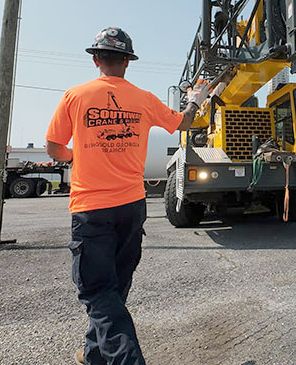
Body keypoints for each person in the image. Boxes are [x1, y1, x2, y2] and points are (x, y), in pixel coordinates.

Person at [46, 27, 209, 365]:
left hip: (91, 208)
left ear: (96, 60)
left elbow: (54, 147)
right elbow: (184, 124)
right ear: (127, 63)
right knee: (114, 286)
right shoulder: (144, 99)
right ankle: (94, 354)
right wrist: (195, 98)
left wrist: (76, 156)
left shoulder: (75, 96)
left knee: (97, 290)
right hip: (131, 208)